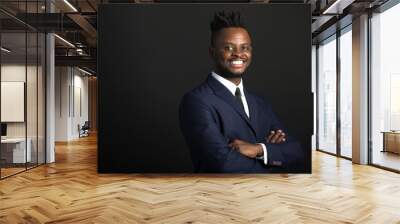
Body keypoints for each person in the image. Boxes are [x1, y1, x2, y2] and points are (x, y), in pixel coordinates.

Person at [179, 11, 304, 173]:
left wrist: (259, 149)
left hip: (268, 195)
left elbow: (296, 152)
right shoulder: (196, 100)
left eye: (244, 47)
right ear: (212, 52)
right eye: (228, 47)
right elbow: (222, 164)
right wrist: (273, 159)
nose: (238, 54)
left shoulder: (259, 102)